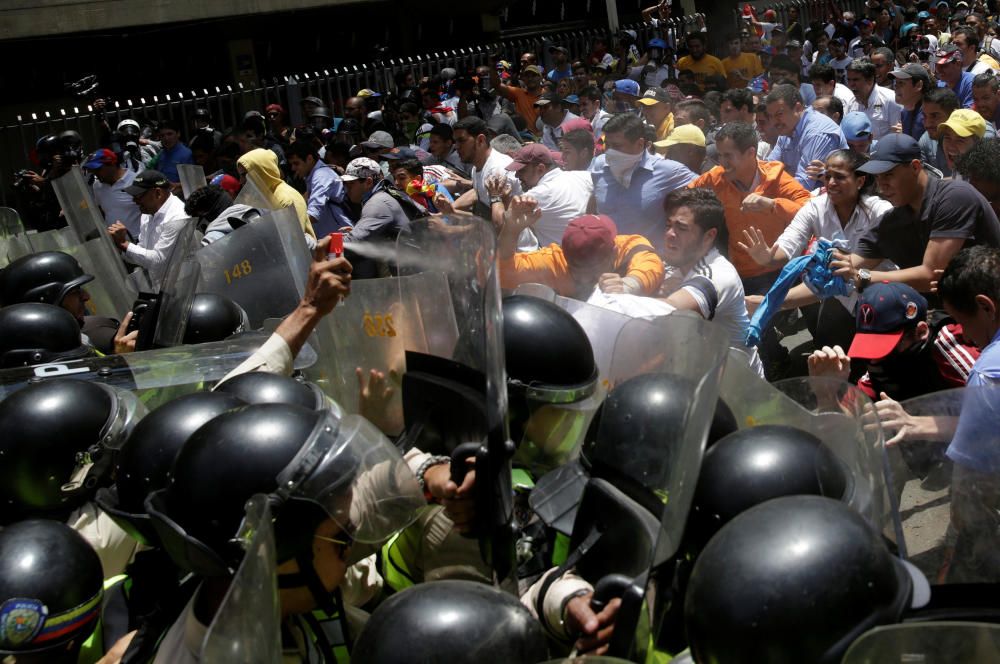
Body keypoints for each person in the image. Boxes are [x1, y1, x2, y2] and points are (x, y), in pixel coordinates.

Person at [742, 149, 894, 350]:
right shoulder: (815, 208)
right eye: (827, 176)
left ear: (860, 181)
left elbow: (844, 270)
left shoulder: (880, 212)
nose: (830, 183)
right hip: (841, 299)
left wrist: (771, 302)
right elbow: (788, 245)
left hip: (883, 298)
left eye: (839, 177)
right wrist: (768, 258)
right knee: (829, 354)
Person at [834, 134, 1000, 295]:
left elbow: (930, 275)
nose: (881, 185)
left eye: (888, 175)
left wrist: (864, 277)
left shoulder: (955, 197)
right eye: (877, 177)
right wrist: (830, 267)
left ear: (915, 167)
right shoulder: (892, 220)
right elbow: (849, 266)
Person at [654, 187, 763, 373]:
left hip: (737, 391)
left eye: (681, 228)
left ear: (709, 236)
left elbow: (665, 310)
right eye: (668, 225)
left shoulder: (716, 276)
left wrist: (621, 292)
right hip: (699, 374)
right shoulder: (678, 265)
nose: (670, 234)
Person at [590, 113, 696, 251]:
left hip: (648, 264)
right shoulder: (599, 165)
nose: (609, 152)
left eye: (616, 146)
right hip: (607, 260)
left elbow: (708, 187)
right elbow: (593, 204)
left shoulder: (668, 171)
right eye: (607, 145)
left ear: (640, 144)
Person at [497, 212, 664, 299]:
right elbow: (499, 273)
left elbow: (652, 265)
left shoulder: (630, 247)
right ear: (565, 254)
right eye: (576, 268)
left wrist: (629, 285)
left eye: (592, 268)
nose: (584, 278)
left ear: (614, 252)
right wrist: (511, 230)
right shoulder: (554, 261)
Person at [340, 157, 425, 278]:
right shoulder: (386, 195)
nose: (347, 188)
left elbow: (355, 242)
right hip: (416, 273)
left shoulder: (378, 203)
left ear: (368, 182)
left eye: (351, 183)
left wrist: (324, 244)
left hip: (415, 277)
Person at [106, 169, 188, 289]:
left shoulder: (177, 217)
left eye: (138, 196)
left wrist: (124, 244)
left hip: (182, 287)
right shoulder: (147, 214)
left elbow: (158, 260)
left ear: (157, 193)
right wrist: (120, 246)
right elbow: (143, 252)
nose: (134, 201)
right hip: (158, 286)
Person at [502, 143, 592, 246]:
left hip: (562, 259)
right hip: (596, 251)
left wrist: (496, 197)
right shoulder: (583, 176)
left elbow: (502, 226)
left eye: (522, 170)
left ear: (540, 169)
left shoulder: (535, 196)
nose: (517, 175)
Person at [766, 83, 848, 191]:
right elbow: (770, 168)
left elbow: (803, 186)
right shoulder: (786, 128)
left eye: (779, 114)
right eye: (771, 116)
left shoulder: (816, 133)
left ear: (798, 108)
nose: (774, 122)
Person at [237, 148, 316, 242]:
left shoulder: (287, 198)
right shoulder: (257, 197)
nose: (240, 181)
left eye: (244, 175)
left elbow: (293, 241)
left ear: (262, 171)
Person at [286, 140, 352, 236]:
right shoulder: (312, 176)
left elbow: (313, 214)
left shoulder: (321, 176)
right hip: (330, 238)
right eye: (291, 164)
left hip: (342, 240)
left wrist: (288, 226)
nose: (293, 168)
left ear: (309, 158)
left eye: (296, 163)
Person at [84, 148, 142, 240]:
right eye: (93, 170)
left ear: (112, 164)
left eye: (98, 169)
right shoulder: (97, 186)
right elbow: (102, 212)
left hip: (138, 242)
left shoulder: (136, 182)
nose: (95, 173)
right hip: (113, 244)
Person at [844, 58, 902, 139]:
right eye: (849, 80)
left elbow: (898, 135)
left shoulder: (891, 100)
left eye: (855, 80)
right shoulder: (850, 103)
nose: (851, 84)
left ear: (870, 80)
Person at [491, 62, 544, 135]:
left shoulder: (548, 95)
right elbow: (497, 85)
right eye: (527, 76)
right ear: (523, 79)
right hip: (523, 138)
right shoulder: (518, 93)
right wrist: (492, 66)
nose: (530, 78)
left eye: (534, 75)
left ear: (541, 78)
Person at [920, 87, 962, 176]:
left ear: (954, 114)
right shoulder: (926, 140)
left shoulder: (978, 134)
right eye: (924, 116)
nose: (927, 124)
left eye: (934, 116)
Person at [939, 108, 988, 175]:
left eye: (960, 140)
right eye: (947, 137)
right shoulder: (962, 169)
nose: (951, 146)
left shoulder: (984, 181)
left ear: (977, 144)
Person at [891, 63, 931, 140]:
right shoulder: (904, 112)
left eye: (901, 83)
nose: (896, 87)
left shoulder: (929, 115)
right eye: (896, 82)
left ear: (918, 85)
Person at [149, 119, 193, 189]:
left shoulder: (186, 154)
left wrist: (177, 186)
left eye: (170, 134)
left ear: (178, 134)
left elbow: (192, 182)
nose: (166, 138)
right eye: (162, 135)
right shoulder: (161, 154)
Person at [935, 44, 976, 108]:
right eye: (936, 65)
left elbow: (968, 114)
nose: (938, 69)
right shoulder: (939, 85)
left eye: (944, 66)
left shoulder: (971, 83)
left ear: (958, 64)